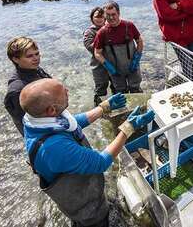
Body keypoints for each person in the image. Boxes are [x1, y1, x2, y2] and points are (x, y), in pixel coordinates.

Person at [20, 78, 155, 226]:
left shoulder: (35, 120)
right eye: (63, 92)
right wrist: (128, 127)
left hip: (79, 180)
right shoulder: (54, 147)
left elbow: (72, 123)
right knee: (94, 219)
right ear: (51, 110)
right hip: (79, 200)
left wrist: (104, 107)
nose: (67, 91)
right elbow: (100, 163)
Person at [4, 36, 51, 136]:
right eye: (29, 56)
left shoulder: (36, 70)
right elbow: (23, 123)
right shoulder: (17, 89)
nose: (36, 58)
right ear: (15, 59)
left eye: (37, 54)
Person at [94, 1, 143, 94]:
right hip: (115, 70)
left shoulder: (129, 25)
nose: (111, 17)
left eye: (113, 14)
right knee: (120, 91)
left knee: (135, 88)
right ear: (104, 15)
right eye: (108, 15)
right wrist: (108, 66)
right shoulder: (102, 32)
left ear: (119, 13)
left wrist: (137, 58)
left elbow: (139, 41)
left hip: (133, 66)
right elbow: (97, 53)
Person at [83, 7, 114, 106]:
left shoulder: (111, 27)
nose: (100, 19)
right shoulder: (89, 32)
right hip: (98, 66)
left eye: (102, 16)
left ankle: (116, 106)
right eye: (97, 16)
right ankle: (98, 110)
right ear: (92, 18)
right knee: (101, 88)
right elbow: (90, 47)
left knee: (116, 86)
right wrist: (101, 36)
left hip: (113, 63)